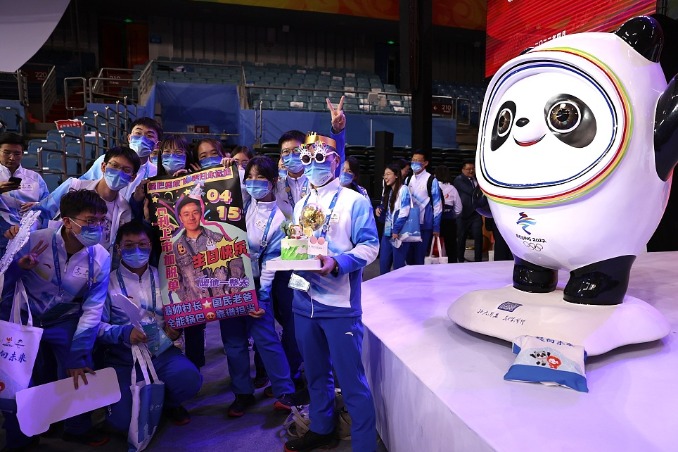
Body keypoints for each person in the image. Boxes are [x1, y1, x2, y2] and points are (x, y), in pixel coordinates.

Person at [283, 132, 379, 452]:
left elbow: (370, 247)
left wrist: (337, 262)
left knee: (351, 382)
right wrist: (291, 264)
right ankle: (321, 427)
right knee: (315, 375)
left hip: (339, 305)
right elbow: (298, 247)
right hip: (303, 303)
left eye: (321, 157)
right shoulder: (301, 204)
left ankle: (364, 445)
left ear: (336, 161)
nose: (313, 164)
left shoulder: (355, 201)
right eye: (307, 158)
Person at [1, 189, 111, 448]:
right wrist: (18, 268)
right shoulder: (33, 240)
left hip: (64, 319)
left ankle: (77, 427)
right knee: (18, 380)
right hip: (25, 318)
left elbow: (93, 307)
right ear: (67, 221)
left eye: (101, 221)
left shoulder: (100, 257)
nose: (96, 227)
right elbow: (3, 283)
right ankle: (21, 437)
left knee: (81, 366)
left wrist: (78, 353)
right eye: (90, 221)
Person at [98, 221, 202, 431]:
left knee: (190, 379)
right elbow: (96, 327)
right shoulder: (106, 283)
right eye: (129, 245)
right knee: (121, 423)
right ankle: (142, 404)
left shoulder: (166, 277)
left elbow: (181, 311)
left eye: (142, 244)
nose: (136, 250)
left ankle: (168, 403)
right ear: (118, 248)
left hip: (161, 350)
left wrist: (177, 327)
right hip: (124, 358)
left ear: (151, 246)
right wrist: (124, 333)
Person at [218, 155, 299, 417]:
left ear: (273, 181)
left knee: (266, 338)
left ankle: (284, 390)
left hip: (257, 285)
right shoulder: (240, 203)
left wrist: (262, 297)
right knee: (233, 341)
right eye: (250, 178)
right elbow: (214, 188)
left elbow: (272, 263)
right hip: (228, 282)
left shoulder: (283, 217)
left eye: (260, 178)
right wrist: (225, 168)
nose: (253, 183)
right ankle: (242, 393)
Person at [33, 146, 140, 253]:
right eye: (114, 166)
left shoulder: (124, 209)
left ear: (132, 177)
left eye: (126, 170)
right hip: (52, 253)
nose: (119, 172)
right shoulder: (74, 186)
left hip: (94, 260)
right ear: (103, 167)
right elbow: (39, 214)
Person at [172, 195, 231, 368]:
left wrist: (231, 288)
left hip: (224, 298)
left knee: (232, 338)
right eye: (186, 214)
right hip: (194, 301)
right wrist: (185, 297)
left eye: (195, 212)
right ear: (180, 218)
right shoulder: (175, 247)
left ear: (201, 214)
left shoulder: (218, 237)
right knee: (194, 342)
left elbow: (235, 263)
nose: (191, 217)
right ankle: (195, 372)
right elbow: (175, 277)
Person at [276, 97, 347, 220]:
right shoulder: (276, 185)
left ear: (307, 151)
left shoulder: (317, 179)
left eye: (296, 150)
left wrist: (337, 132)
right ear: (281, 156)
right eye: (286, 152)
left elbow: (334, 155)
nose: (291, 155)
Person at [80, 117, 162, 200]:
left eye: (149, 136)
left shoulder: (155, 172)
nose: (142, 139)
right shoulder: (107, 160)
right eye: (138, 133)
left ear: (157, 145)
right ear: (129, 138)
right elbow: (83, 186)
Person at [0, 132, 49, 255]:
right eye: (6, 153)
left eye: (17, 154)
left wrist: (37, 205)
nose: (12, 158)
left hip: (29, 233)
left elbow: (49, 205)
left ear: (22, 154)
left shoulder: (35, 178)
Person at [405, 149, 442, 265]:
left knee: (419, 257)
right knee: (408, 257)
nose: (414, 163)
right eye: (413, 160)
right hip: (409, 223)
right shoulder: (408, 179)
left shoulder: (431, 180)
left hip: (424, 224)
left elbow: (437, 205)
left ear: (425, 163)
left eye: (418, 160)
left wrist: (436, 226)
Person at [377, 163, 410, 274]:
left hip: (399, 234)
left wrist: (396, 229)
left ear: (396, 175)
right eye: (384, 175)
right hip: (387, 233)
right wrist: (379, 210)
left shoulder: (404, 189)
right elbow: (386, 211)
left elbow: (405, 212)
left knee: (398, 267)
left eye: (388, 174)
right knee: (383, 266)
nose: (385, 177)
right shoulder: (388, 191)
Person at [453, 161, 483, 262]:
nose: (471, 171)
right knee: (461, 237)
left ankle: (478, 259)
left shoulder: (477, 179)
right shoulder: (459, 180)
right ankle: (460, 259)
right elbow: (471, 191)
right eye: (468, 169)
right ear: (462, 170)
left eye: (473, 169)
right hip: (463, 214)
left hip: (476, 213)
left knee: (478, 237)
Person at [435, 165, 462, 262]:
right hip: (449, 220)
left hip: (434, 220)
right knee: (451, 246)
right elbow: (459, 208)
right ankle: (452, 264)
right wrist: (452, 215)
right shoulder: (452, 188)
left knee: (432, 245)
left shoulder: (432, 187)